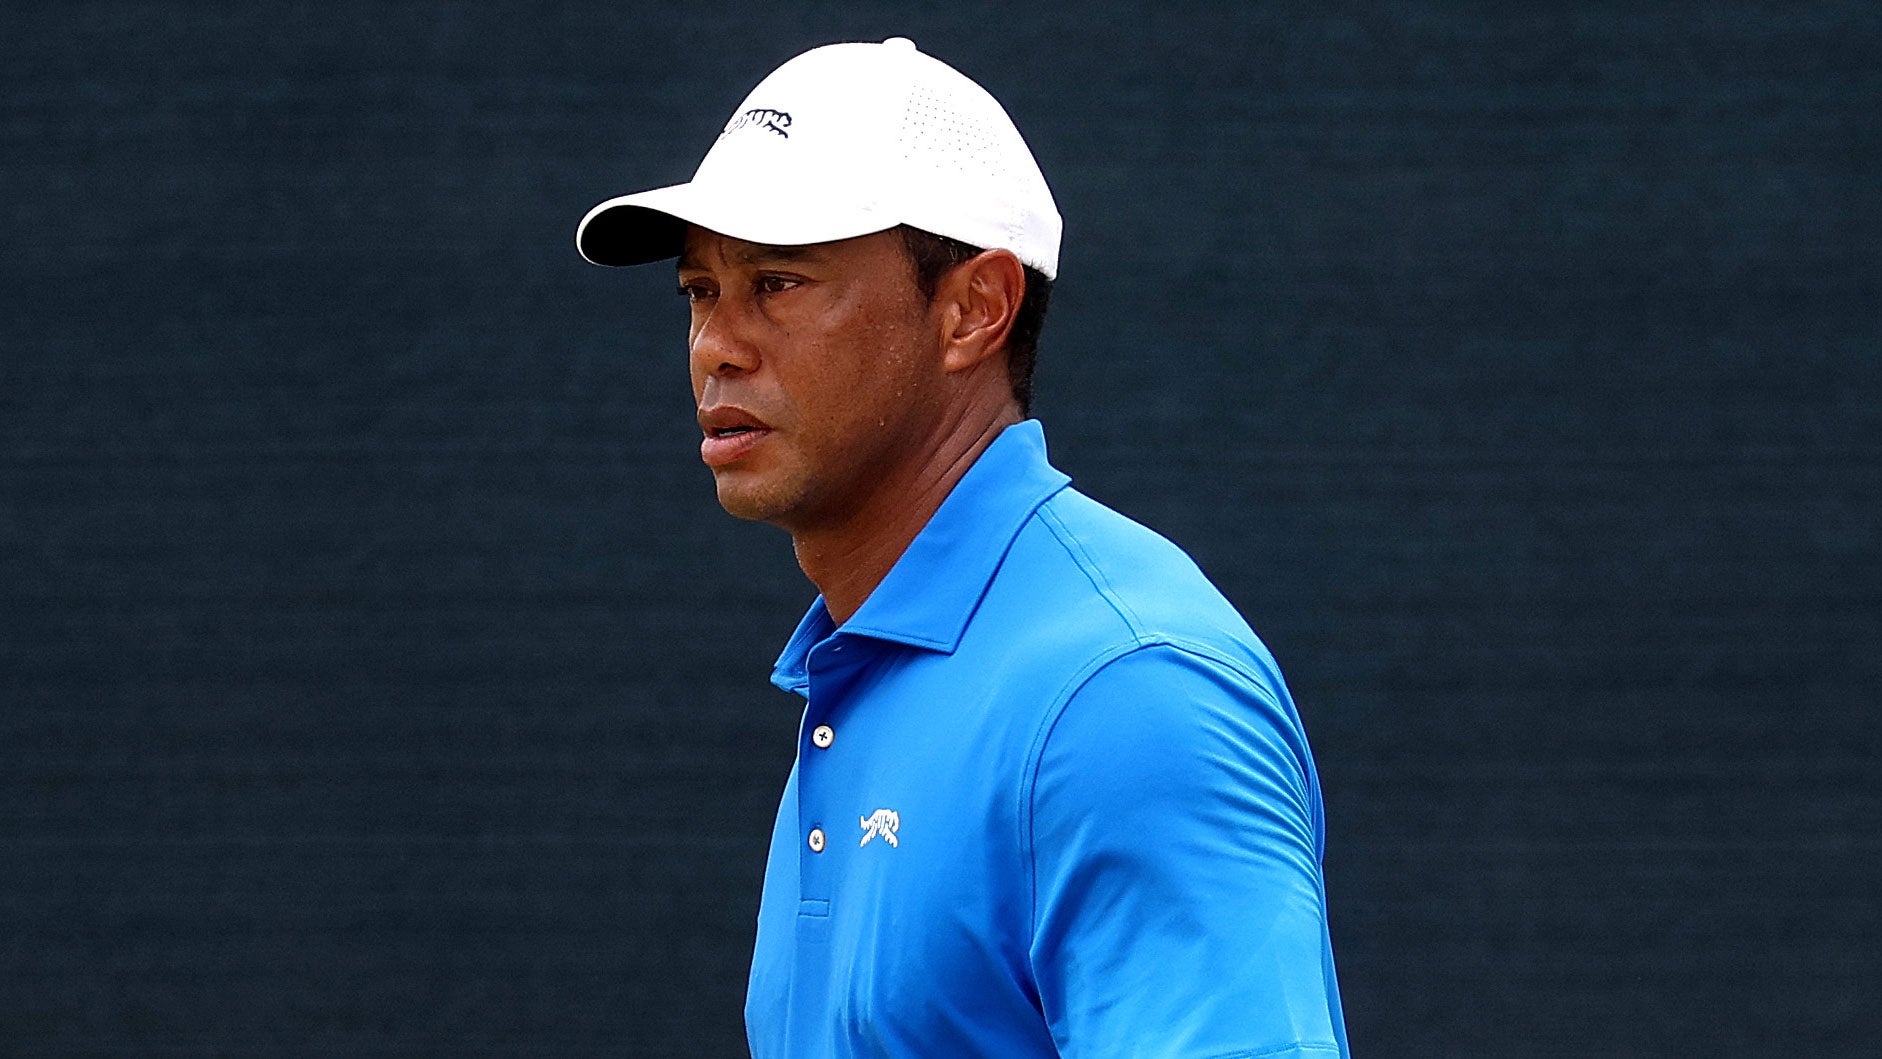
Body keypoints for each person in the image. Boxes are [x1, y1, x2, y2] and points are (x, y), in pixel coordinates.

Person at [576, 37, 1348, 1058]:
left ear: (973, 311)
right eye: (699, 292)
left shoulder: (1122, 690)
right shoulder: (864, 668)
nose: (716, 344)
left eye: (777, 283)